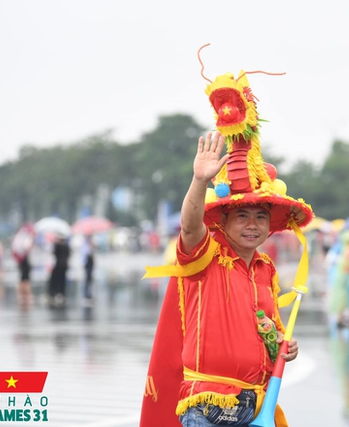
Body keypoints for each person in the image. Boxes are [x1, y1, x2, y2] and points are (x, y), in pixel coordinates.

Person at [139, 61, 313, 427]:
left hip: (254, 403)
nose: (253, 225)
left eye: (261, 217)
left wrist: (283, 346)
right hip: (206, 405)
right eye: (243, 216)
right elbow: (188, 227)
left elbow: (267, 329)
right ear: (224, 221)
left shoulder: (266, 270)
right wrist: (199, 181)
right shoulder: (207, 254)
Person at [48, 233, 71, 307]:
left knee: (57, 280)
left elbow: (54, 253)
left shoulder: (57, 246)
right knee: (62, 280)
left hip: (58, 265)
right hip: (63, 265)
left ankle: (56, 293)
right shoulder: (66, 246)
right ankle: (61, 293)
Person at [81, 235, 95, 303]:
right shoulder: (85, 245)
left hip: (90, 264)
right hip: (87, 264)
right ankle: (86, 294)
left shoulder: (89, 244)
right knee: (87, 280)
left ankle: (89, 294)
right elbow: (86, 254)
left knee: (90, 280)